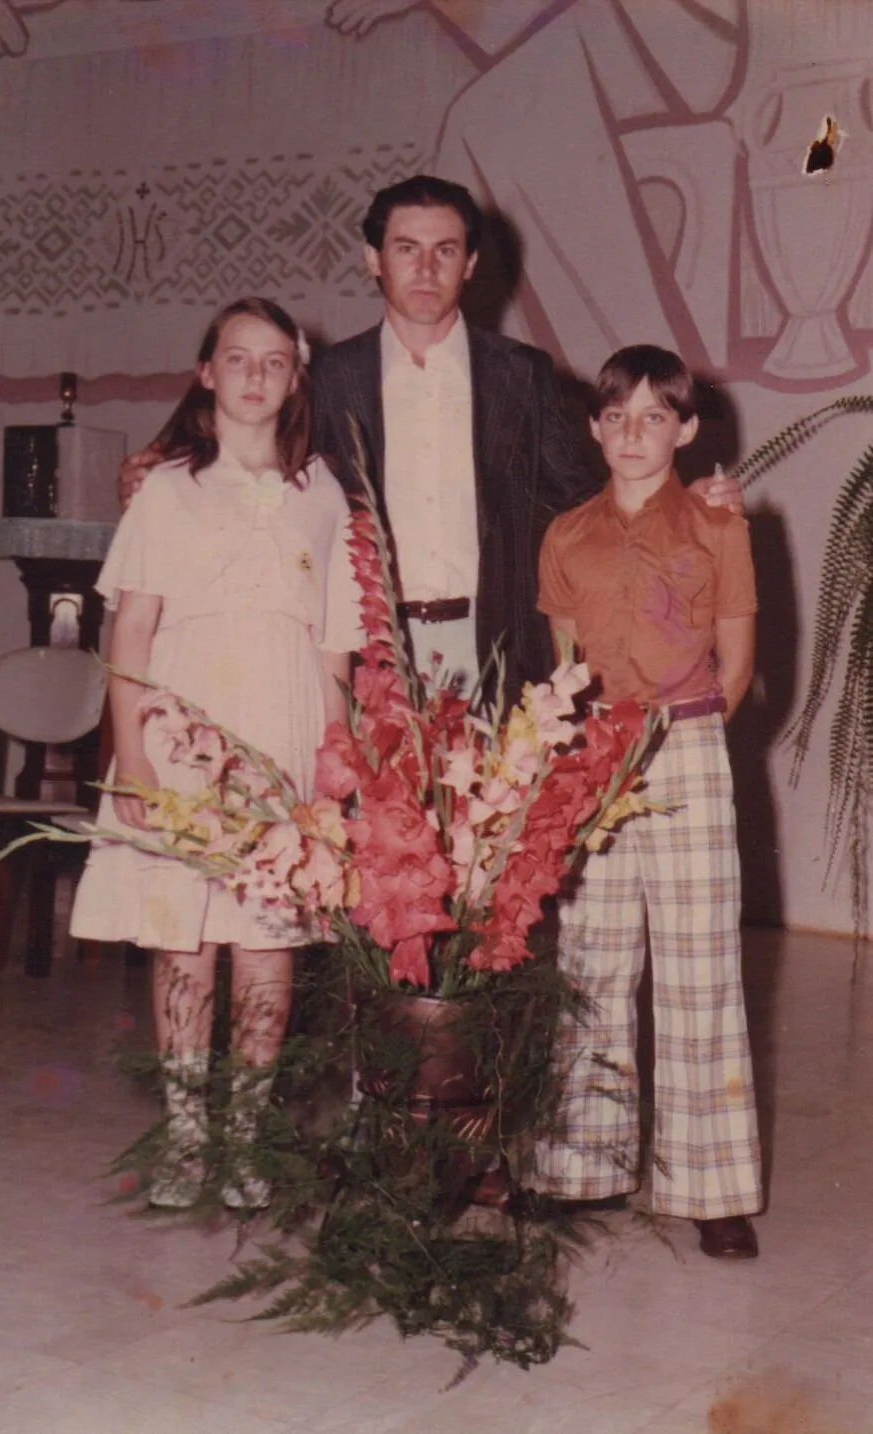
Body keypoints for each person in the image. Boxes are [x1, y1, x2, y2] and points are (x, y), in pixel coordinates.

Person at [120, 175, 744, 709]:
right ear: (373, 259)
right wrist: (166, 458)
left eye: (445, 250)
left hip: (498, 646)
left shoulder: (522, 374)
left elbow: (586, 500)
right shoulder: (332, 378)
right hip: (370, 652)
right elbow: (258, 459)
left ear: (470, 264)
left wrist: (677, 500)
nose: (425, 269)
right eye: (406, 249)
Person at [71, 297, 361, 1211]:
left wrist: (334, 761)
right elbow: (133, 628)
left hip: (279, 732)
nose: (254, 376)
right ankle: (188, 1137)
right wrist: (133, 758)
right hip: (180, 726)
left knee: (268, 940)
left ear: (295, 376)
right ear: (206, 372)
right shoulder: (165, 488)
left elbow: (333, 649)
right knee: (185, 937)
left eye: (274, 361)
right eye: (236, 359)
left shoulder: (323, 493)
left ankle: (247, 1137)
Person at [534, 344, 762, 1259]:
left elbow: (738, 659)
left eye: (653, 417)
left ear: (686, 429)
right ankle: (579, 1167)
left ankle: (708, 1189)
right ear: (594, 427)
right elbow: (564, 664)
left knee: (699, 968)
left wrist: (684, 737)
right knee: (591, 963)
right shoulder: (565, 535)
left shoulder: (718, 525)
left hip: (687, 745)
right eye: (616, 416)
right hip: (594, 759)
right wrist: (591, 756)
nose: (633, 433)